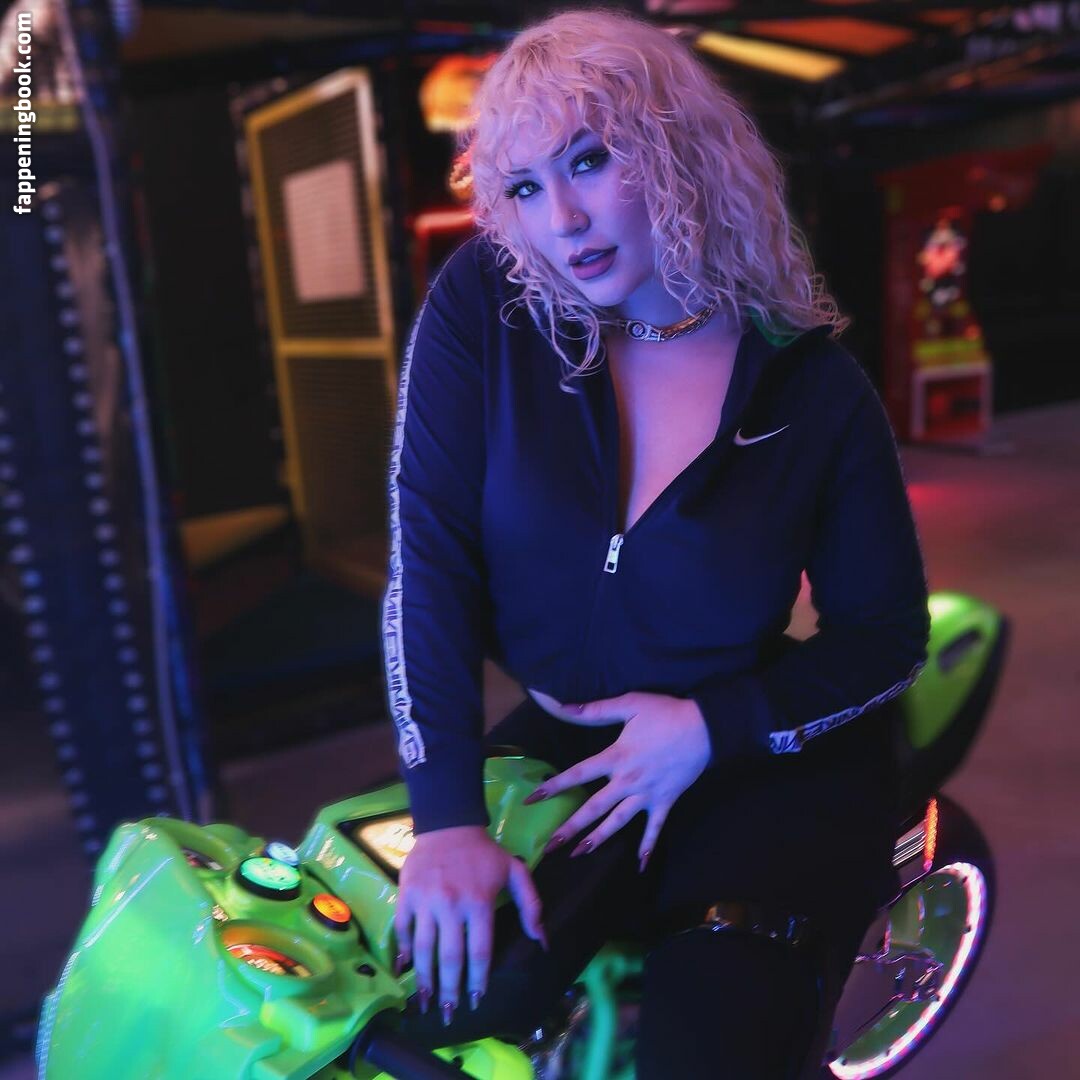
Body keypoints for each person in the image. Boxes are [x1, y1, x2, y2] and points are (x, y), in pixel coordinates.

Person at [380, 7, 930, 1077]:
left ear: (680, 151)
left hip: (754, 755)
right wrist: (444, 817)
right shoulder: (489, 308)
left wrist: (713, 728)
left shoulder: (813, 388)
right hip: (568, 746)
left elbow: (885, 633)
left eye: (591, 160)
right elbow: (428, 560)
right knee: (425, 1014)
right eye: (524, 187)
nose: (563, 220)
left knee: (711, 1043)